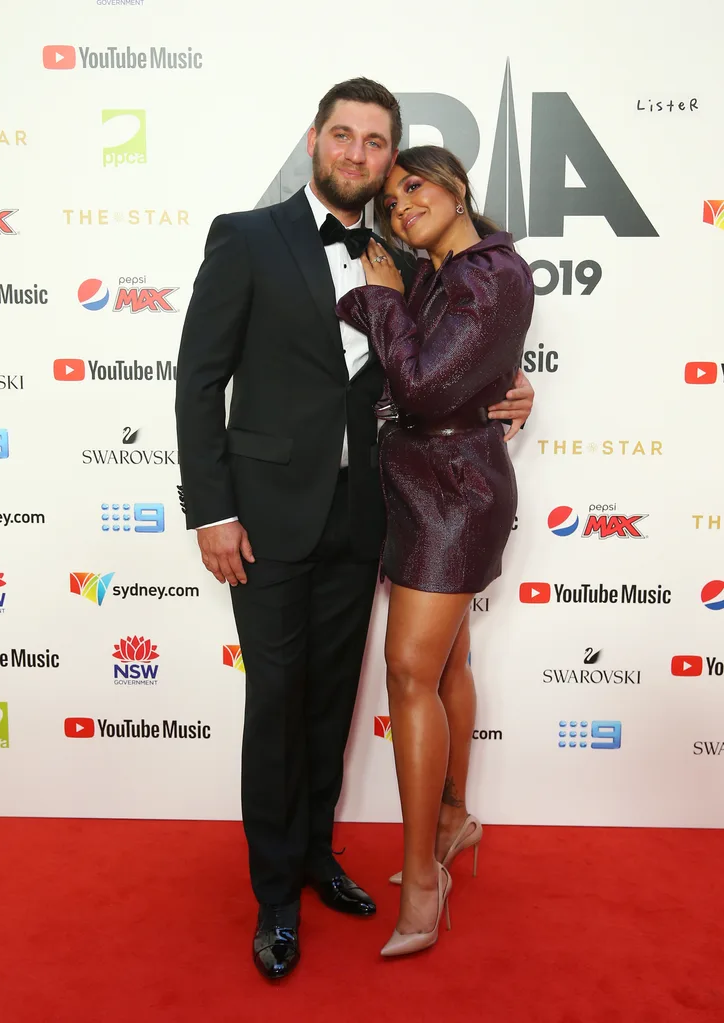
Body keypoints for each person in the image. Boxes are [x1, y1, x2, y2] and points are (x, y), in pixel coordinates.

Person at [175, 80, 535, 980]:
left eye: (377, 143)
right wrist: (212, 509)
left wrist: (513, 390)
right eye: (345, 136)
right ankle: (273, 894)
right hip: (261, 516)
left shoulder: (406, 258)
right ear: (314, 141)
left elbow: (452, 363)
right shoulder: (246, 237)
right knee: (276, 701)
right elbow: (197, 381)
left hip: (372, 511)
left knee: (334, 698)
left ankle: (317, 856)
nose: (359, 155)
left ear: (393, 162)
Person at [336, 145, 535, 958]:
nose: (402, 205)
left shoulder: (490, 272)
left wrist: (376, 297)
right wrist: (370, 297)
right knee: (446, 664)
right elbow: (437, 363)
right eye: (390, 200)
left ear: (455, 186)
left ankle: (424, 876)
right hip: (424, 482)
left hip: (455, 491)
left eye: (413, 186)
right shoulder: (439, 272)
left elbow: (418, 385)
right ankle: (454, 819)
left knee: (411, 673)